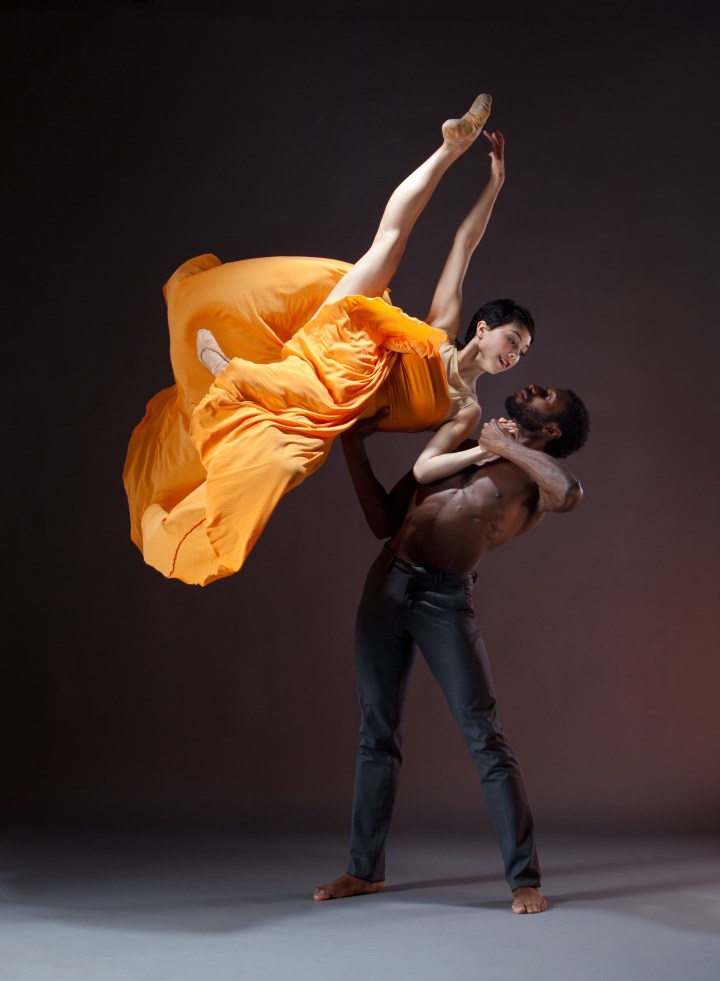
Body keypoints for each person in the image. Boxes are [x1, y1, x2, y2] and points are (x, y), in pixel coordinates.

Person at [124, 94, 534, 586]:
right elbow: (463, 244)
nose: (514, 356)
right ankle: (448, 147)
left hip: (334, 402)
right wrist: (494, 182)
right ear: (484, 329)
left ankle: (243, 380)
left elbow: (425, 471)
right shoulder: (442, 330)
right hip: (351, 334)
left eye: (522, 354)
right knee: (389, 244)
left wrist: (489, 450)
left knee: (283, 464)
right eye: (512, 340)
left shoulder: (465, 409)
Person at [313, 381, 590, 914]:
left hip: (444, 599)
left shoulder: (534, 481)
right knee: (376, 733)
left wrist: (507, 448)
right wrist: (353, 446)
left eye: (546, 395)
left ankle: (524, 879)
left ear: (552, 429)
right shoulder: (467, 442)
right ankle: (363, 871)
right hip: (387, 583)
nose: (533, 386)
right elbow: (383, 522)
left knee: (485, 736)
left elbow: (571, 494)